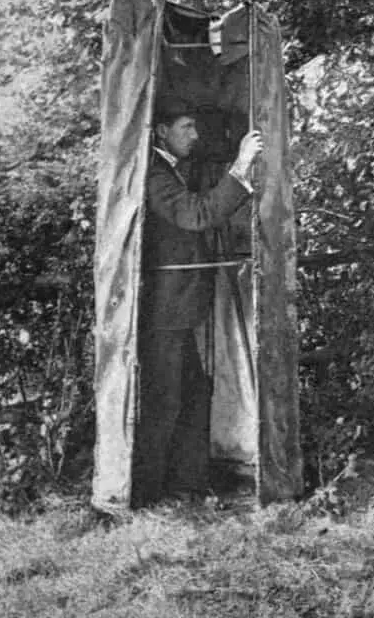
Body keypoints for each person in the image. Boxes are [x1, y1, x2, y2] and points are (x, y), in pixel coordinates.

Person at [132, 96, 263, 507]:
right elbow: (198, 215)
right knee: (165, 399)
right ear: (162, 132)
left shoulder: (169, 170)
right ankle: (149, 494)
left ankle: (185, 486)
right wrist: (240, 168)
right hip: (163, 311)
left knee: (192, 393)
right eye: (186, 127)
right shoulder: (153, 174)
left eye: (195, 127)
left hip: (177, 309)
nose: (194, 135)